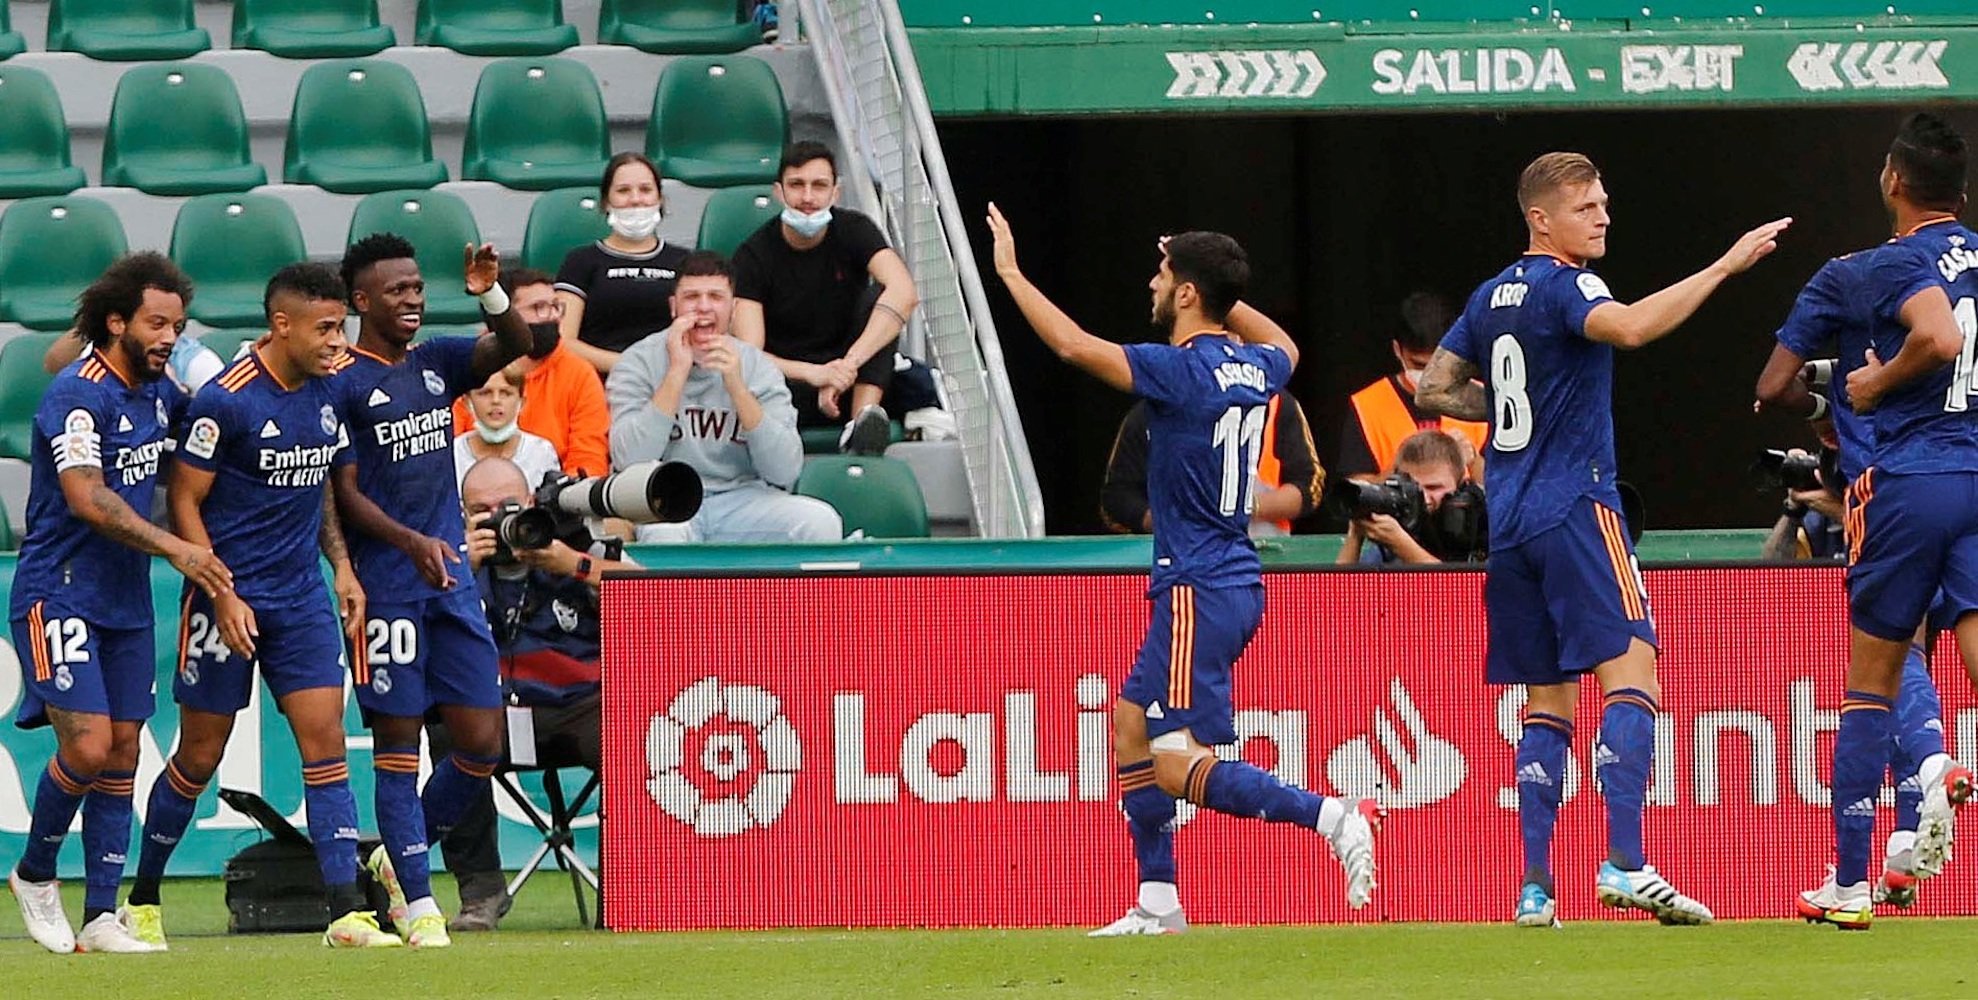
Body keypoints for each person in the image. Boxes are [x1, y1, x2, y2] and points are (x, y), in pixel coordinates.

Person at [1416, 150, 1789, 928]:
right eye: (1587, 207)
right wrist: (1723, 266)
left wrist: (1514, 414)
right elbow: (1630, 328)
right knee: (1633, 679)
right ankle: (1625, 861)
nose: (1604, 217)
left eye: (1604, 204)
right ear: (1542, 220)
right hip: (1577, 509)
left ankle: (1535, 888)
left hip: (1511, 525)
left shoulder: (1490, 296)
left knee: (1547, 704)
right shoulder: (1567, 282)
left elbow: (1434, 387)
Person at [988, 205, 1379, 936]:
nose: (1152, 283)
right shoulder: (1255, 366)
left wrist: (1009, 270)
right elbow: (1286, 345)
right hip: (1225, 577)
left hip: (1199, 586)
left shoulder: (1177, 372)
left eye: (1164, 274)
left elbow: (1073, 345)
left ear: (1187, 293)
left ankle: (1332, 815)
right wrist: (1222, 291)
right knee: (1130, 726)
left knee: (1174, 762)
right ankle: (1158, 901)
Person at [127, 262, 397, 949]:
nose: (339, 341)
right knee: (198, 756)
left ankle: (346, 912)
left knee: (326, 745)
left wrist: (340, 565)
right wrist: (219, 593)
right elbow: (184, 499)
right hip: (228, 595)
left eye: (342, 326)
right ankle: (145, 897)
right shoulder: (228, 400)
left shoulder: (329, 389)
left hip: (300, 597)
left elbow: (323, 487)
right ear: (282, 326)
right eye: (326, 327)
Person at [1753, 112, 1978, 928]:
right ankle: (1926, 783)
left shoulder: (1871, 267)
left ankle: (1849, 885)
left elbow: (1774, 386)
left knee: (1870, 685)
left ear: (1892, 179)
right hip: (1977, 476)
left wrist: (1859, 392)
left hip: (1908, 482)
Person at [5, 253, 232, 955]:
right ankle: (36, 874)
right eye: (157, 324)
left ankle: (103, 914)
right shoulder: (79, 394)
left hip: (125, 598)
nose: (169, 337)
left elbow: (218, 424)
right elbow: (86, 497)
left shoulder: (159, 393)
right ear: (117, 323)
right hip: (59, 590)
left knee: (127, 749)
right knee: (90, 743)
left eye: (178, 326)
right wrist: (179, 548)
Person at [328, 233, 534, 948]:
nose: (413, 300)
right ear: (362, 301)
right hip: (388, 587)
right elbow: (344, 493)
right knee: (398, 743)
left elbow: (516, 341)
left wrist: (489, 292)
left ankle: (393, 855)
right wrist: (408, 541)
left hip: (448, 585)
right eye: (397, 291)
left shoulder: (436, 361)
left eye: (418, 288)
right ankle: (416, 902)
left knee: (481, 741)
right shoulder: (343, 382)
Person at [436, 456, 637, 930]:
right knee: (447, 729)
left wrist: (574, 563)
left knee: (629, 731)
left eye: (510, 505)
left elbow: (652, 597)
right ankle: (480, 893)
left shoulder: (577, 546)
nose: (501, 518)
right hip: (492, 713)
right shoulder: (448, 562)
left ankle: (629, 887)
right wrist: (464, 568)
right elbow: (419, 627)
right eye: (483, 510)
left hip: (577, 706)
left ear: (531, 504)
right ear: (463, 516)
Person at [608, 251, 840, 543]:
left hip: (742, 497)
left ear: (733, 309)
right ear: (673, 306)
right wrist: (676, 373)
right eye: (691, 297)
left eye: (715, 297)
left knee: (820, 522)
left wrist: (737, 388)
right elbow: (629, 460)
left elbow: (785, 471)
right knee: (665, 536)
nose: (703, 307)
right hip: (664, 498)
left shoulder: (759, 368)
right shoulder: (637, 362)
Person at [732, 141, 921, 455]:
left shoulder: (855, 229)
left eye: (819, 186)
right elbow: (750, 354)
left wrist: (846, 367)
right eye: (797, 185)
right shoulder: (753, 255)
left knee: (882, 298)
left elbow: (905, 293)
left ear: (836, 192)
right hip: (790, 383)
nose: (808, 198)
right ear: (779, 192)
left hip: (853, 378)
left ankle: (861, 426)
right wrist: (816, 374)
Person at [453, 267, 611, 477]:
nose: (553, 316)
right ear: (504, 316)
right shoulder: (466, 365)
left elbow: (589, 460)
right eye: (539, 308)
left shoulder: (579, 374)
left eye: (556, 307)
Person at [1102, 393, 1322, 537]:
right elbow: (1117, 498)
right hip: (1178, 564)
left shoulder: (1276, 404)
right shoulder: (1151, 411)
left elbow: (1309, 488)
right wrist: (1168, 521)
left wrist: (1241, 508)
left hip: (1263, 559)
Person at [555, 153, 689, 375]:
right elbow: (564, 340)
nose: (636, 199)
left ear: (660, 199)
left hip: (674, 379)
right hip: (600, 382)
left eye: (645, 190)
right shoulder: (580, 261)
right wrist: (629, 367)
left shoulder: (685, 262)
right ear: (606, 201)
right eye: (623, 191)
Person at [1338, 291, 1488, 481]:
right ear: (1397, 350)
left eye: (1436, 364)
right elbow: (1356, 493)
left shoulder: (1482, 399)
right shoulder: (1367, 405)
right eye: (1419, 365)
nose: (1428, 375)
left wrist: (1472, 460)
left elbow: (1506, 489)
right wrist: (1405, 465)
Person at [1336, 429, 1472, 566]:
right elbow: (1339, 587)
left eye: (1434, 488)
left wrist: (1401, 545)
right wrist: (1355, 536)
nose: (1424, 497)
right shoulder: (1398, 531)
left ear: (1460, 487)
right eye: (1413, 488)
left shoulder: (1481, 525)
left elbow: (1456, 585)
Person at [453, 368, 561, 492]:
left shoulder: (541, 452)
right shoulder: (453, 454)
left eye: (505, 393)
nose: (496, 401)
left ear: (522, 402)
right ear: (467, 402)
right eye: (485, 393)